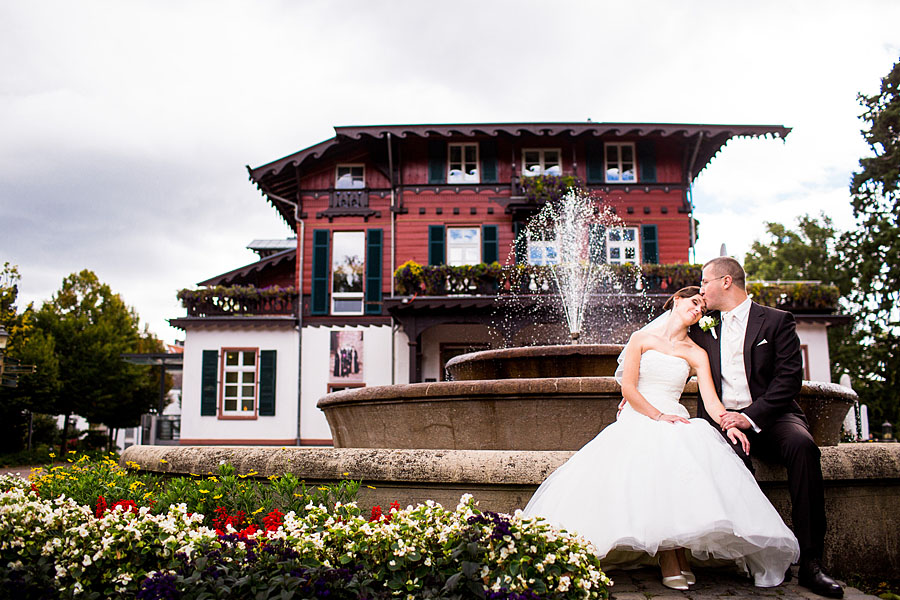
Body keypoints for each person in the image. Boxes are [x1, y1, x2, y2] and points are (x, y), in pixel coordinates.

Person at [523, 287, 799, 589]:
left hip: (673, 414)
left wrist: (729, 423)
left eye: (703, 309)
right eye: (694, 302)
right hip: (642, 414)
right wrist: (656, 415)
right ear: (676, 300)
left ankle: (679, 558)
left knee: (681, 452)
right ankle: (669, 559)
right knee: (660, 452)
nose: (698, 310)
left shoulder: (696, 352)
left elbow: (710, 399)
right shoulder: (642, 339)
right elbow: (628, 389)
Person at [692, 257, 843, 598]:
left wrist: (750, 417)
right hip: (724, 422)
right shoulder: (702, 326)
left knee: (803, 448)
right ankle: (758, 556)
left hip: (773, 417)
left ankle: (812, 565)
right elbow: (666, 346)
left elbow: (789, 380)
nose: (701, 290)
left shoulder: (776, 321)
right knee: (730, 459)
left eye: (705, 282)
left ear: (726, 281)